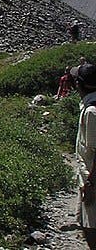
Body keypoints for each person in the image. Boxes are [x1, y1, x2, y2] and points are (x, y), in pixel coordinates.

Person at [74, 63, 96, 248]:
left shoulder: (91, 111)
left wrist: (90, 184)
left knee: (91, 227)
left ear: (78, 84)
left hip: (92, 179)